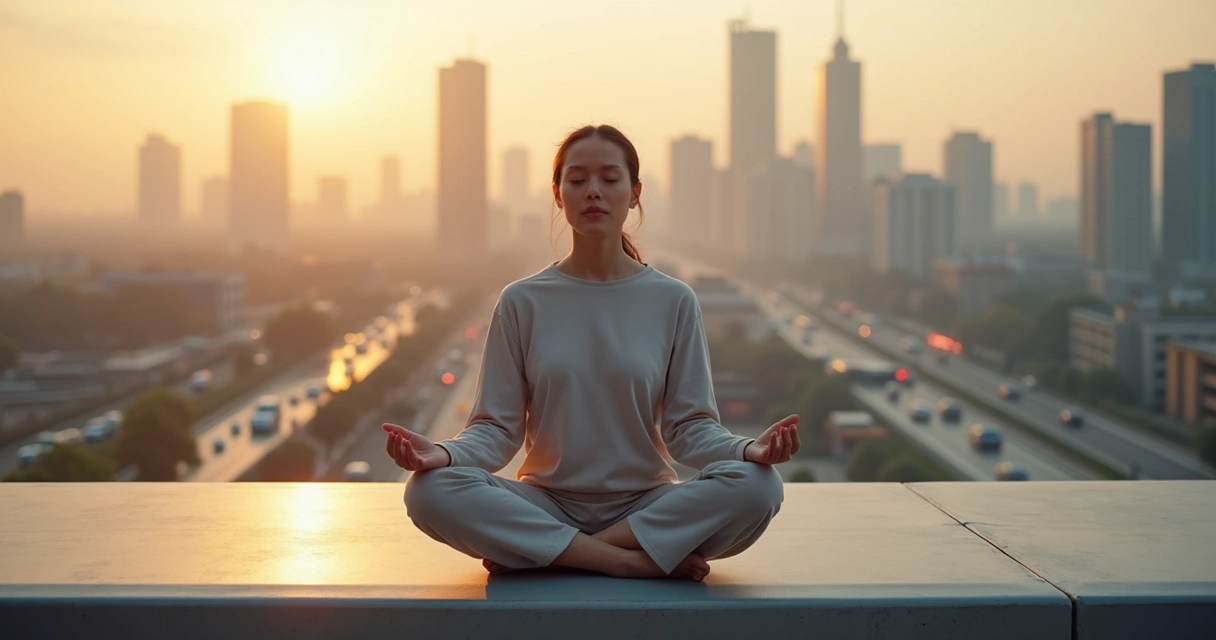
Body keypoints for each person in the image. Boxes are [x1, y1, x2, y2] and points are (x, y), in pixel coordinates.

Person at [383, 124, 800, 582]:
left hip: (646, 503)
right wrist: (442, 455)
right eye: (578, 180)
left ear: (635, 193)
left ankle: (553, 552)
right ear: (558, 195)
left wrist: (747, 449)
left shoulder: (673, 300)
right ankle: (625, 560)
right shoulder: (522, 301)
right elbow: (496, 430)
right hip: (546, 503)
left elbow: (689, 428)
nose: (593, 192)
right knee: (427, 492)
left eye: (609, 179)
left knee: (759, 486)